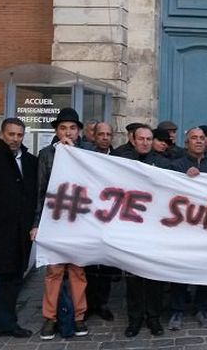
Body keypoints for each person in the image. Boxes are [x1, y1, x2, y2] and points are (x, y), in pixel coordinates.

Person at [30, 107, 94, 340]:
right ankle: (50, 317)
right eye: (63, 128)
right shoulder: (47, 154)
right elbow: (40, 189)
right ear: (57, 131)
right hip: (54, 219)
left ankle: (78, 316)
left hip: (80, 219)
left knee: (78, 270)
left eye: (72, 128)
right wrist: (37, 222)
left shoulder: (87, 152)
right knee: (54, 270)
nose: (68, 132)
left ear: (79, 131)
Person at [113, 125, 169, 337]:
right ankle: (135, 319)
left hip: (156, 229)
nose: (145, 142)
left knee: (155, 277)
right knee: (134, 278)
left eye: (149, 139)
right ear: (133, 139)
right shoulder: (122, 162)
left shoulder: (164, 163)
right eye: (141, 138)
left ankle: (154, 318)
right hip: (132, 228)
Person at [168, 127, 207, 331]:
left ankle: (203, 308)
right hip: (183, 227)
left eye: (201, 138)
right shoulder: (176, 165)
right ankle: (177, 310)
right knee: (180, 269)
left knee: (206, 268)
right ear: (186, 143)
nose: (199, 141)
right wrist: (183, 178)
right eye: (194, 138)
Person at [0, 118, 38, 338]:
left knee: (14, 277)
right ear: (3, 134)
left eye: (19, 135)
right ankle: (6, 323)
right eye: (11, 134)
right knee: (8, 276)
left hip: (23, 231)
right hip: (0, 229)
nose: (15, 139)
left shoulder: (30, 161)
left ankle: (6, 322)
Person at [85, 121, 117, 321]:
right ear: (94, 136)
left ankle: (103, 303)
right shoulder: (84, 157)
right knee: (89, 263)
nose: (105, 137)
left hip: (112, 217)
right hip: (89, 216)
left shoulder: (120, 158)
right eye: (101, 134)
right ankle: (88, 304)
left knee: (106, 262)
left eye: (108, 134)